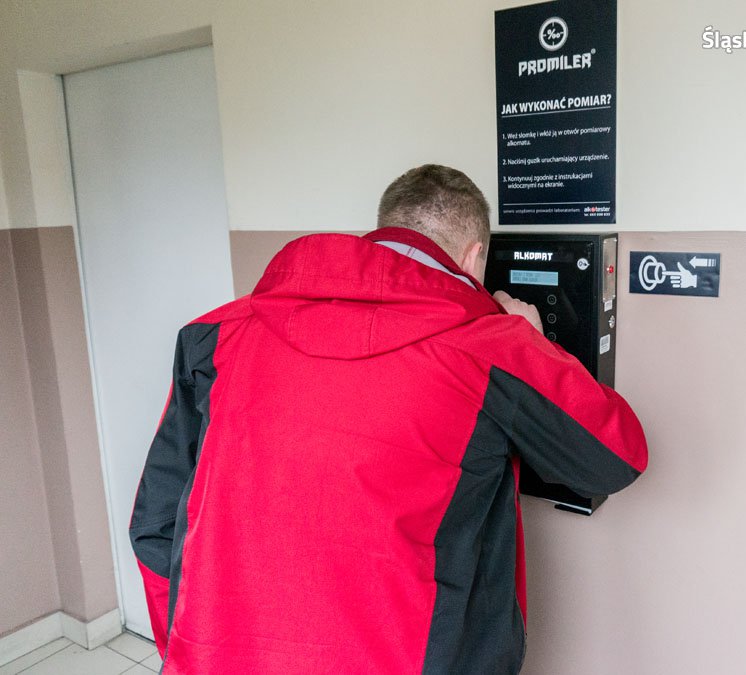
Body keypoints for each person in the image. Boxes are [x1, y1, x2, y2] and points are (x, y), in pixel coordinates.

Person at [130, 164, 647, 674]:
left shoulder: (215, 335)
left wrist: (190, 649)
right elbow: (613, 460)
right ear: (473, 257)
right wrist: (533, 342)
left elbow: (156, 524)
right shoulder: (491, 348)